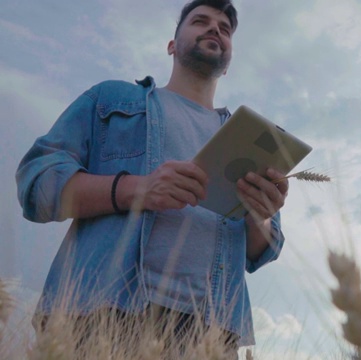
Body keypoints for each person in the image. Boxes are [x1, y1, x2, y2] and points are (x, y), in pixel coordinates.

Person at [15, 0, 287, 355]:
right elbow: (36, 184)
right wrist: (137, 188)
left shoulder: (249, 142)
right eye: (200, 21)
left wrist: (261, 213)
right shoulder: (111, 99)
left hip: (209, 332)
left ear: (228, 62)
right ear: (172, 46)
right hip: (100, 312)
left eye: (224, 28)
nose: (215, 29)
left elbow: (260, 252)